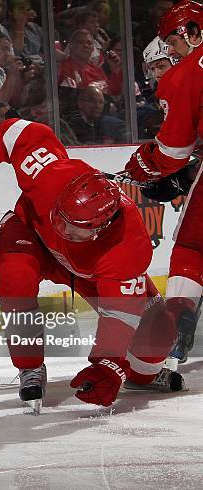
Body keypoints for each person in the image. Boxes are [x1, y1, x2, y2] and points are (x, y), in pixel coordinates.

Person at [0, 118, 184, 410]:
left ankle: (141, 375)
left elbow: (121, 315)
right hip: (32, 236)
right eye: (61, 217)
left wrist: (108, 366)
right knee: (14, 277)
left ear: (100, 228)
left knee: (160, 335)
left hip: (89, 270)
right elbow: (18, 132)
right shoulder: (49, 175)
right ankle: (29, 367)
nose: (62, 229)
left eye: (73, 228)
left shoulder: (128, 247)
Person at [123, 0, 202, 365]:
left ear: (193, 32)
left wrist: (145, 166)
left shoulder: (184, 74)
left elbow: (173, 151)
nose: (171, 52)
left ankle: (178, 327)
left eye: (172, 43)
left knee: (191, 247)